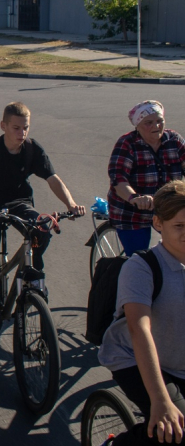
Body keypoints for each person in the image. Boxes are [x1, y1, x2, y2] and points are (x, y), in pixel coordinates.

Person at [0, 102, 86, 349]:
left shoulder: (32, 149)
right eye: (16, 128)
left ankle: (31, 278)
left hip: (20, 203)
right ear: (4, 126)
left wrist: (71, 204)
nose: (22, 133)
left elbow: (53, 179)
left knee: (42, 227)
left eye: (25, 128)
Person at [98, 180, 185, 446]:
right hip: (135, 357)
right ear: (158, 224)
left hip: (177, 356)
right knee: (174, 428)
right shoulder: (142, 267)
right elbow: (139, 329)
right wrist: (160, 400)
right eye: (179, 226)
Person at [108, 100, 185, 256]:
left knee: (178, 250)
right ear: (138, 125)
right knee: (140, 259)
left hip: (168, 208)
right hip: (133, 213)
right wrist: (134, 197)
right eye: (149, 123)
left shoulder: (174, 140)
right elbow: (118, 178)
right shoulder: (127, 143)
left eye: (159, 121)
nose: (156, 126)